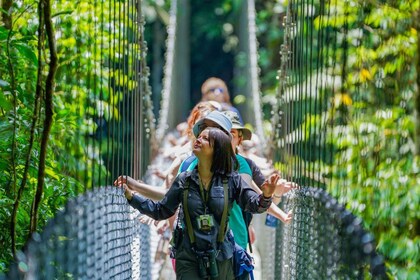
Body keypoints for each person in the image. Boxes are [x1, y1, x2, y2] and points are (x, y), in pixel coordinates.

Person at [116, 123, 279, 279]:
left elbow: (254, 205)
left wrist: (266, 195)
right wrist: (132, 198)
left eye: (206, 138)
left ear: (217, 149)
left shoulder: (232, 180)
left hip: (221, 255)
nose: (198, 140)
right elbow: (161, 211)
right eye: (199, 136)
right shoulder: (183, 180)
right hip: (188, 256)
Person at [179, 110, 294, 250]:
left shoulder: (244, 165)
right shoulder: (190, 163)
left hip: (233, 243)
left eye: (231, 134)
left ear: (239, 139)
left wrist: (276, 198)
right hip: (197, 242)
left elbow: (254, 197)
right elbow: (174, 196)